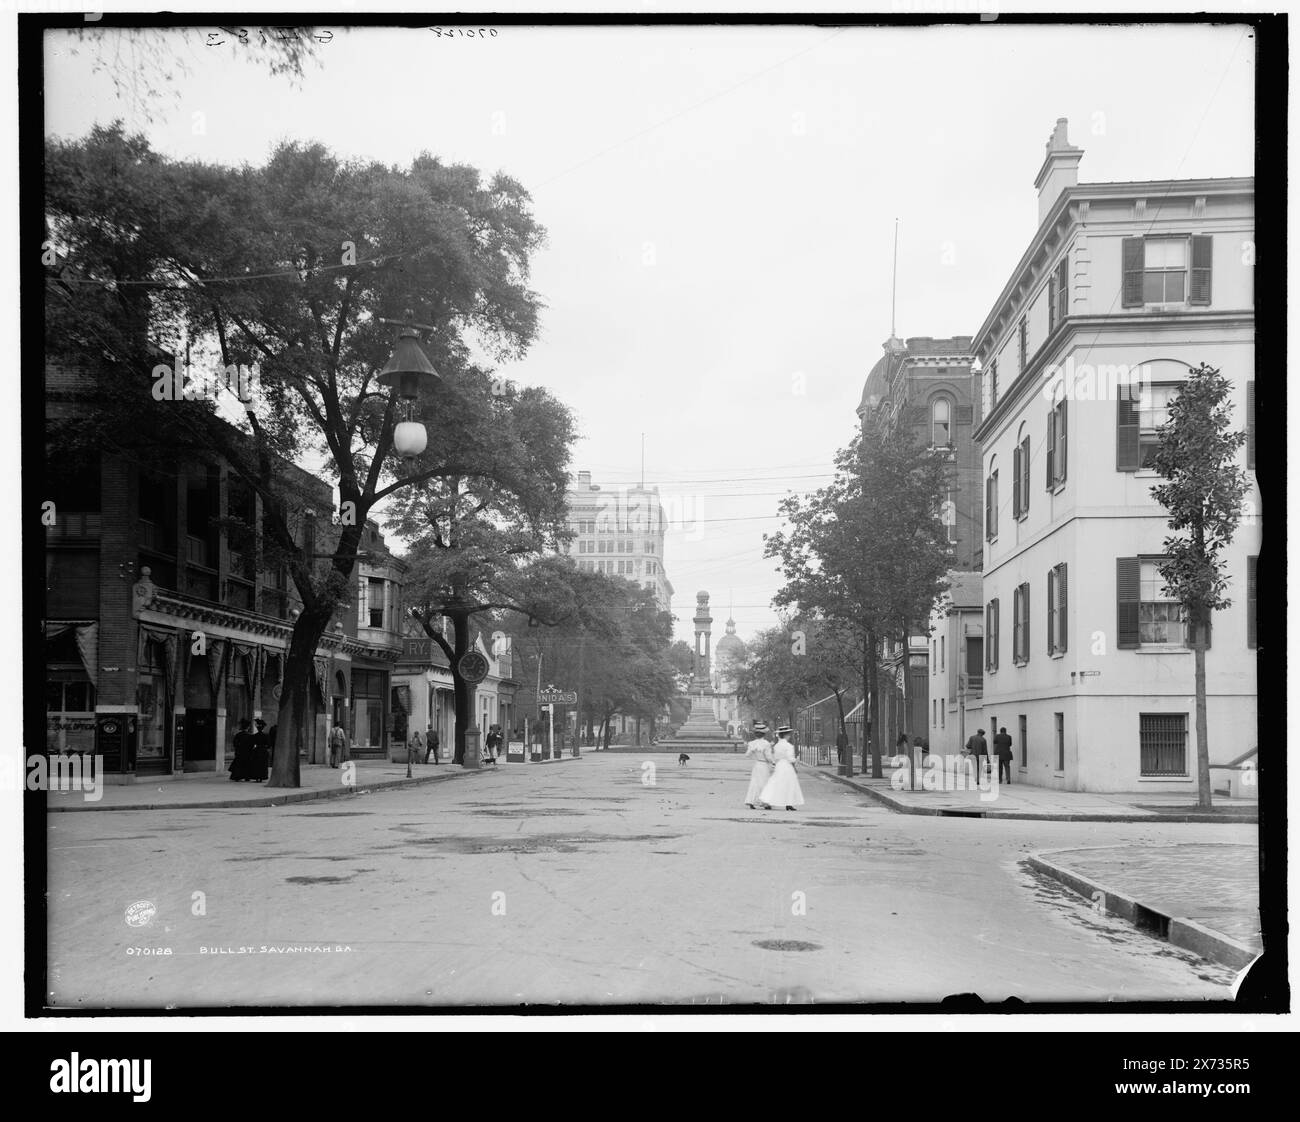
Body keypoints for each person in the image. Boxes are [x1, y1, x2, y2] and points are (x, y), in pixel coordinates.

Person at [759, 725, 805, 811]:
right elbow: (789, 758)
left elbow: (775, 757)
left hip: (779, 765)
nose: (789, 736)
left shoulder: (777, 746)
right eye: (788, 734)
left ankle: (767, 800)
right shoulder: (789, 746)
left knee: (775, 783)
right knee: (789, 784)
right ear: (786, 735)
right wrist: (796, 760)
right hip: (786, 766)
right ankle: (789, 803)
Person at [743, 722, 775, 809]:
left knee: (755, 783)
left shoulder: (752, 743)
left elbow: (747, 755)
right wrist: (773, 762)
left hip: (757, 764)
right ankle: (765, 802)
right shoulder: (766, 744)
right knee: (764, 783)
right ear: (764, 733)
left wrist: (754, 755)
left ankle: (751, 801)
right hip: (764, 765)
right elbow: (768, 756)